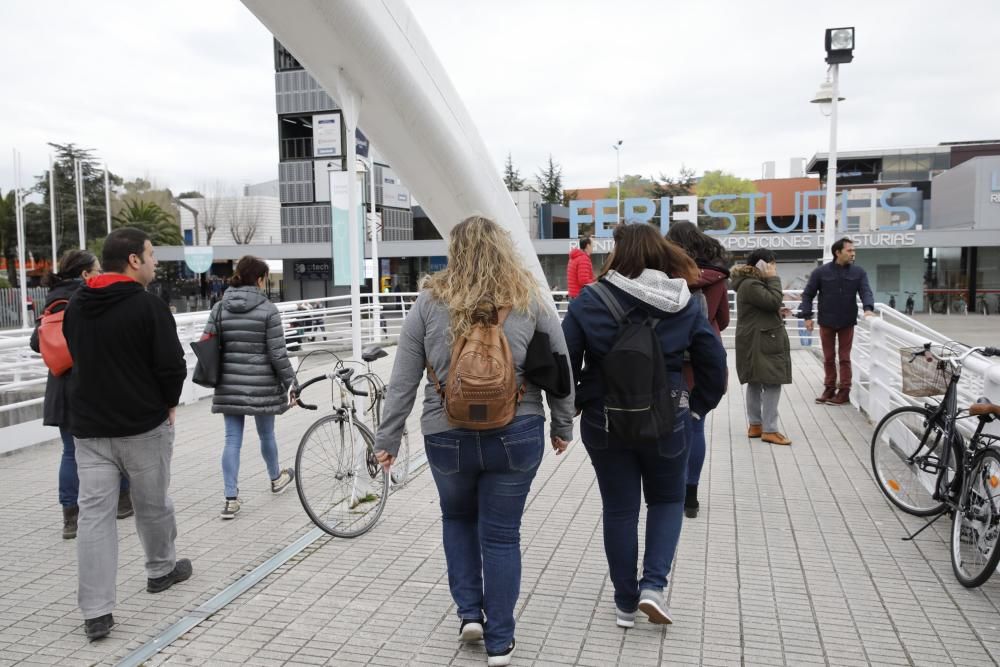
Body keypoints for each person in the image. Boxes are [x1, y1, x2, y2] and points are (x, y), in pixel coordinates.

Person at [374, 216, 574, 667]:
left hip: (446, 434)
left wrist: (388, 437)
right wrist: (562, 425)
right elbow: (560, 367)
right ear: (503, 249)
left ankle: (469, 614)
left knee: (457, 520)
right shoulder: (528, 299)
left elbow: (403, 378)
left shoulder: (429, 302)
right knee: (502, 536)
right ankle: (500, 642)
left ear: (455, 252)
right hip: (517, 432)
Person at [562, 223, 727, 629]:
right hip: (668, 416)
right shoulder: (685, 302)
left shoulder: (590, 301)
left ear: (617, 255)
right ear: (661, 253)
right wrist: (696, 408)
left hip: (604, 420)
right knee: (667, 501)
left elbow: (563, 362)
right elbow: (714, 364)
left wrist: (574, 407)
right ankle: (653, 585)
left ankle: (624, 601)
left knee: (619, 509)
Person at [62, 228, 190, 641]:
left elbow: (73, 350)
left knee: (95, 519)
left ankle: (96, 613)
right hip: (143, 426)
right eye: (151, 255)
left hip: (89, 430)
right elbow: (172, 366)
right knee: (152, 504)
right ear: (134, 260)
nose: (155, 262)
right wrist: (169, 402)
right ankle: (161, 569)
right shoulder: (149, 307)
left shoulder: (78, 304)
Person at [29, 250, 133, 540]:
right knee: (116, 445)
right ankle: (123, 502)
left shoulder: (53, 300)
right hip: (92, 385)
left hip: (60, 386)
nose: (100, 274)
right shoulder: (89, 298)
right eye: (97, 270)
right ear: (86, 274)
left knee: (70, 453)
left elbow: (36, 343)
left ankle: (70, 518)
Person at [201, 256, 298, 520]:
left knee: (232, 440)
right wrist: (292, 382)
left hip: (229, 384)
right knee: (266, 435)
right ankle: (276, 478)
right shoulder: (268, 309)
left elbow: (206, 343)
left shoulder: (220, 308)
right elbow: (278, 354)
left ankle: (230, 498)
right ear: (259, 279)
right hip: (262, 385)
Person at [664, 221, 731, 519]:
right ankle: (691, 497)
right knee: (696, 424)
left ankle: (669, 490)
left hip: (670, 359)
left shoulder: (664, 275)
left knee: (668, 426)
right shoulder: (717, 277)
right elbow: (723, 318)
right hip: (705, 361)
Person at [797, 237, 875, 405]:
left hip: (847, 320)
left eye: (853, 250)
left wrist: (868, 309)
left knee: (844, 357)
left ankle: (844, 391)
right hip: (826, 320)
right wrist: (807, 317)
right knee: (829, 357)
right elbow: (808, 295)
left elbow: (866, 291)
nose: (853, 253)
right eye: (849, 250)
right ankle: (829, 387)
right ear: (837, 252)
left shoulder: (858, 272)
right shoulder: (821, 272)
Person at [731, 248, 792, 446]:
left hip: (756, 337)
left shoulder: (749, 284)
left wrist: (777, 309)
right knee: (772, 382)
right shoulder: (751, 284)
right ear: (762, 265)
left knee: (756, 381)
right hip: (763, 339)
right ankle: (770, 430)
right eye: (772, 264)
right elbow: (773, 299)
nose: (775, 268)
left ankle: (756, 425)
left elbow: (766, 305)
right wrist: (773, 279)